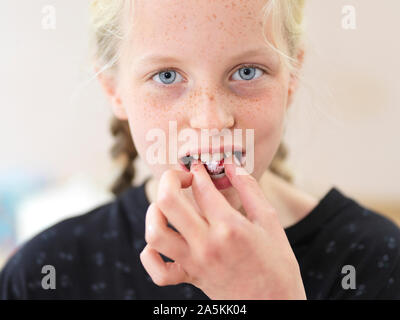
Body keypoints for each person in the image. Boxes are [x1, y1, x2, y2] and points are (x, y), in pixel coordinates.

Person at [1, 0, 399, 300]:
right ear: (112, 89)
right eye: (167, 76)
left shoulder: (379, 262)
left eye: (247, 72)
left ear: (291, 77)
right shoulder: (45, 275)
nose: (210, 121)